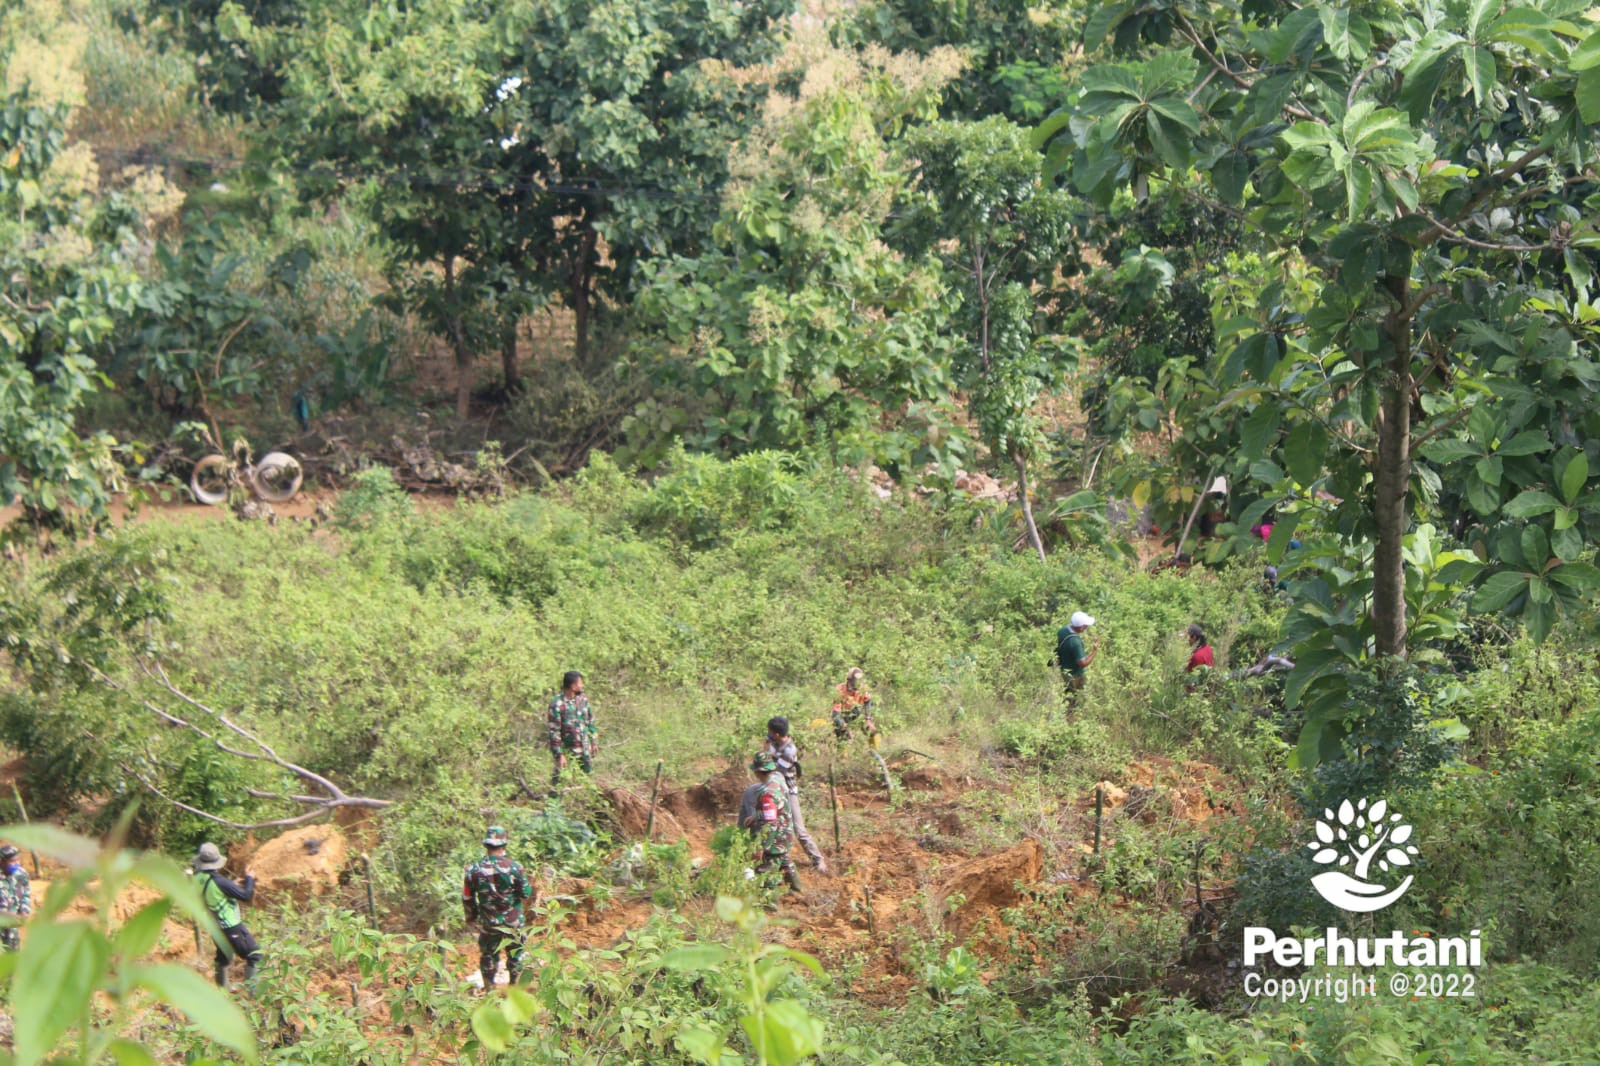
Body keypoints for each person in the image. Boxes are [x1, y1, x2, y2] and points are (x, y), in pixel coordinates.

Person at [462, 825, 534, 991]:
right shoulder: (515, 867)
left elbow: (467, 898)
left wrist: (471, 918)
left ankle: (489, 990)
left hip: (489, 923)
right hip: (513, 923)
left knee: (489, 955)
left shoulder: (473, 870)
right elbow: (525, 893)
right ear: (504, 845)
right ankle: (514, 990)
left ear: (486, 845)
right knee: (516, 956)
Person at [764, 716, 828, 874]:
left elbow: (775, 769)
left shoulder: (789, 750)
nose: (768, 734)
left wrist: (767, 754)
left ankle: (817, 859)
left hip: (787, 790)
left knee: (799, 829)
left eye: (771, 732)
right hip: (774, 789)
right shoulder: (774, 743)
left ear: (777, 734)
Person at [193, 843, 262, 989]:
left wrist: (231, 885)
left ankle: (223, 990)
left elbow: (212, 892)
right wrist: (249, 879)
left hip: (215, 925)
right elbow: (245, 895)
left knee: (223, 956)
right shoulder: (220, 881)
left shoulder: (198, 877)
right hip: (231, 926)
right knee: (255, 956)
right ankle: (253, 994)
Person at [739, 752, 801, 894]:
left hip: (775, 837)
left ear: (757, 771)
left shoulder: (767, 793)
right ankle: (797, 889)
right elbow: (775, 809)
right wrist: (756, 816)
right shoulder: (778, 781)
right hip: (786, 831)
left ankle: (769, 901)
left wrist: (762, 847)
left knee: (767, 870)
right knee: (784, 860)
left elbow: (771, 823)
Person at [547, 671, 596, 785]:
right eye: (580, 683)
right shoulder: (557, 704)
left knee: (586, 780)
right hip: (568, 750)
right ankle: (552, 800)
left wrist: (593, 741)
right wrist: (559, 754)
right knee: (560, 780)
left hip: (585, 748)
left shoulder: (582, 700)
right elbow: (554, 731)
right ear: (573, 686)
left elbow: (590, 720)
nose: (582, 686)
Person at [830, 668, 879, 747]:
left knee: (871, 730)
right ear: (849, 680)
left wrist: (868, 719)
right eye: (854, 682)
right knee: (845, 737)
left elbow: (867, 702)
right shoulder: (840, 690)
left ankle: (875, 753)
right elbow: (836, 714)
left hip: (856, 715)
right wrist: (846, 728)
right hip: (842, 717)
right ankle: (843, 757)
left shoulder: (862, 689)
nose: (855, 686)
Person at [1054, 611, 1099, 691]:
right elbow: (1083, 663)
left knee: (1068, 695)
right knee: (1076, 698)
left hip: (1064, 671)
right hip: (1075, 675)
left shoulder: (1063, 630)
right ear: (1081, 627)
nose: (1087, 627)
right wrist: (1094, 650)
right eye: (1086, 625)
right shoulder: (1075, 642)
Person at [0, 844, 29, 951]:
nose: (17, 864)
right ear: (2, 862)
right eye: (12, 861)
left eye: (18, 860)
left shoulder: (21, 874)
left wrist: (24, 911)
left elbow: (25, 895)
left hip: (12, 928)